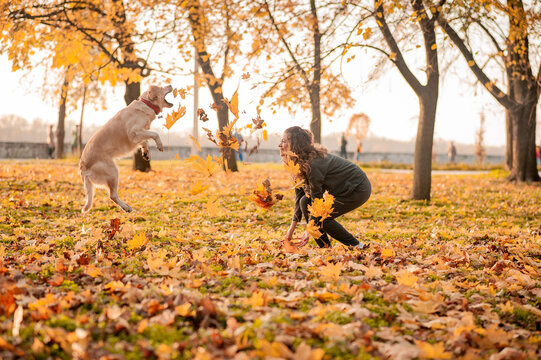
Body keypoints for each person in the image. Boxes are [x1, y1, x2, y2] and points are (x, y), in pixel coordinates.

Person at [280, 126, 371, 249]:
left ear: (295, 145)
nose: (280, 145)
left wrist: (309, 229)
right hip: (341, 188)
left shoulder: (313, 164)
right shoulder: (298, 164)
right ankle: (325, 248)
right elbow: (300, 197)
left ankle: (357, 246)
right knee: (304, 202)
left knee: (322, 217)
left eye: (284, 141)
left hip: (357, 188)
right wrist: (290, 231)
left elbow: (316, 201)